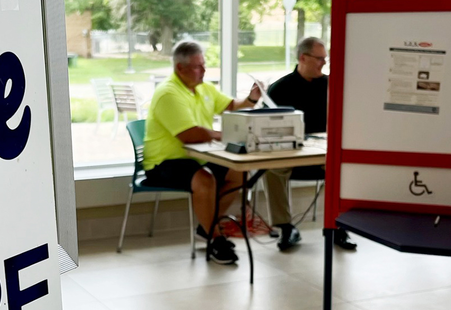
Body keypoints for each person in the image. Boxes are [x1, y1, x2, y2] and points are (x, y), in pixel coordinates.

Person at [143, 41, 261, 264]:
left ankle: (207, 229)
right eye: (198, 66)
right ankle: (214, 238)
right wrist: (223, 134)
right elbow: (189, 134)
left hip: (197, 157)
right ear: (180, 68)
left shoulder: (203, 88)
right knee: (204, 179)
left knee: (238, 172)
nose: (204, 70)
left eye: (204, 65)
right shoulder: (168, 93)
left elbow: (231, 106)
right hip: (164, 162)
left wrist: (252, 99)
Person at [264, 37, 356, 251]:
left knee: (340, 167)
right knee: (271, 169)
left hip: (323, 152)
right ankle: (285, 227)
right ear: (303, 58)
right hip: (291, 152)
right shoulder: (280, 89)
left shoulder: (331, 85)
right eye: (319, 59)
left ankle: (337, 226)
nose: (324, 64)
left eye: (325, 59)